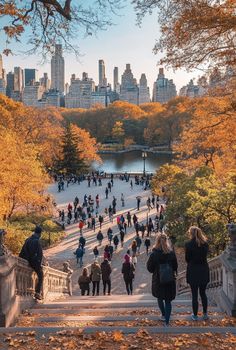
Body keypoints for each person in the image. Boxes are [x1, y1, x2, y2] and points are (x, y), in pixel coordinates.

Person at [147, 233, 178, 326]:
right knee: (168, 301)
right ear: (166, 241)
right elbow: (175, 266)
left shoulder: (154, 254)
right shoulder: (171, 253)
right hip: (169, 280)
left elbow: (150, 268)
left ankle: (163, 315)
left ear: (157, 241)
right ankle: (167, 322)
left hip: (158, 280)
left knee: (160, 298)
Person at [185, 226, 210, 321]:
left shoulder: (188, 244)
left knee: (194, 294)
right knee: (203, 293)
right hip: (203, 270)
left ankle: (195, 315)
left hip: (193, 271)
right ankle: (205, 314)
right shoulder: (205, 244)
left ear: (191, 233)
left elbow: (187, 259)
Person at [19, 226, 44, 300]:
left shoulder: (28, 240)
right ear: (40, 234)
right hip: (34, 263)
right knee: (41, 275)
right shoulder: (37, 241)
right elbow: (39, 254)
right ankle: (37, 292)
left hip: (27, 261)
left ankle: (37, 292)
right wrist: (39, 264)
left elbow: (22, 252)